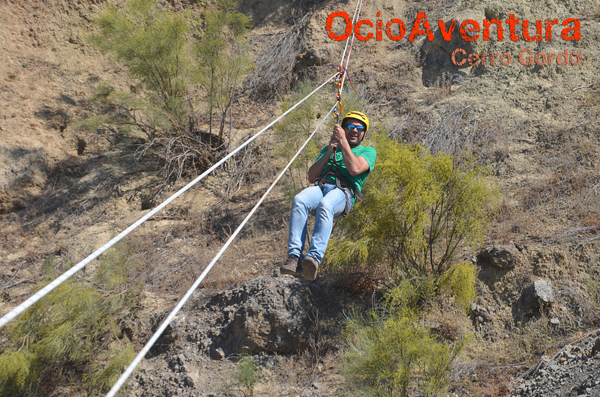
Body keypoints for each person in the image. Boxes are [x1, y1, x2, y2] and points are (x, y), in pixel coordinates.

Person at [280, 111, 377, 280]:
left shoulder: (368, 151)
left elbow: (354, 169)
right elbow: (311, 176)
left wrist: (343, 142)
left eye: (359, 128)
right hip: (323, 186)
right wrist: (329, 152)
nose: (355, 130)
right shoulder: (329, 148)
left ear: (364, 133)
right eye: (350, 127)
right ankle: (294, 257)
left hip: (344, 192)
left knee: (326, 205)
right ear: (344, 128)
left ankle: (314, 259)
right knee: (300, 200)